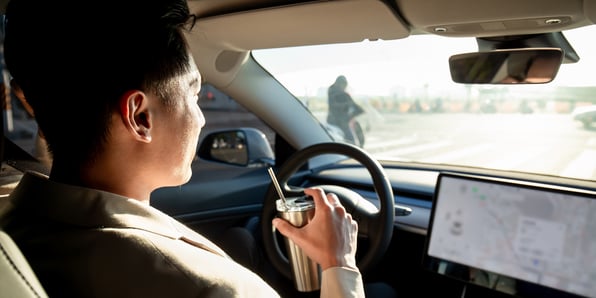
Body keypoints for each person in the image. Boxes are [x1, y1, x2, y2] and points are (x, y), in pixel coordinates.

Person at [0, 0, 367, 297]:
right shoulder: (210, 288)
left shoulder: (12, 232)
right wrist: (339, 265)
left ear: (27, 101)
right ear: (140, 117)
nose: (202, 118)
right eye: (194, 94)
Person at [327, 75, 365, 147]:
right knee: (351, 140)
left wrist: (361, 110)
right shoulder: (334, 92)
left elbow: (352, 104)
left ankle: (360, 147)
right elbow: (336, 105)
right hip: (337, 121)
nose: (344, 86)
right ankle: (354, 149)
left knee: (356, 126)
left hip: (344, 118)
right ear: (339, 83)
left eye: (345, 84)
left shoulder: (342, 93)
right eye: (343, 84)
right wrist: (348, 104)